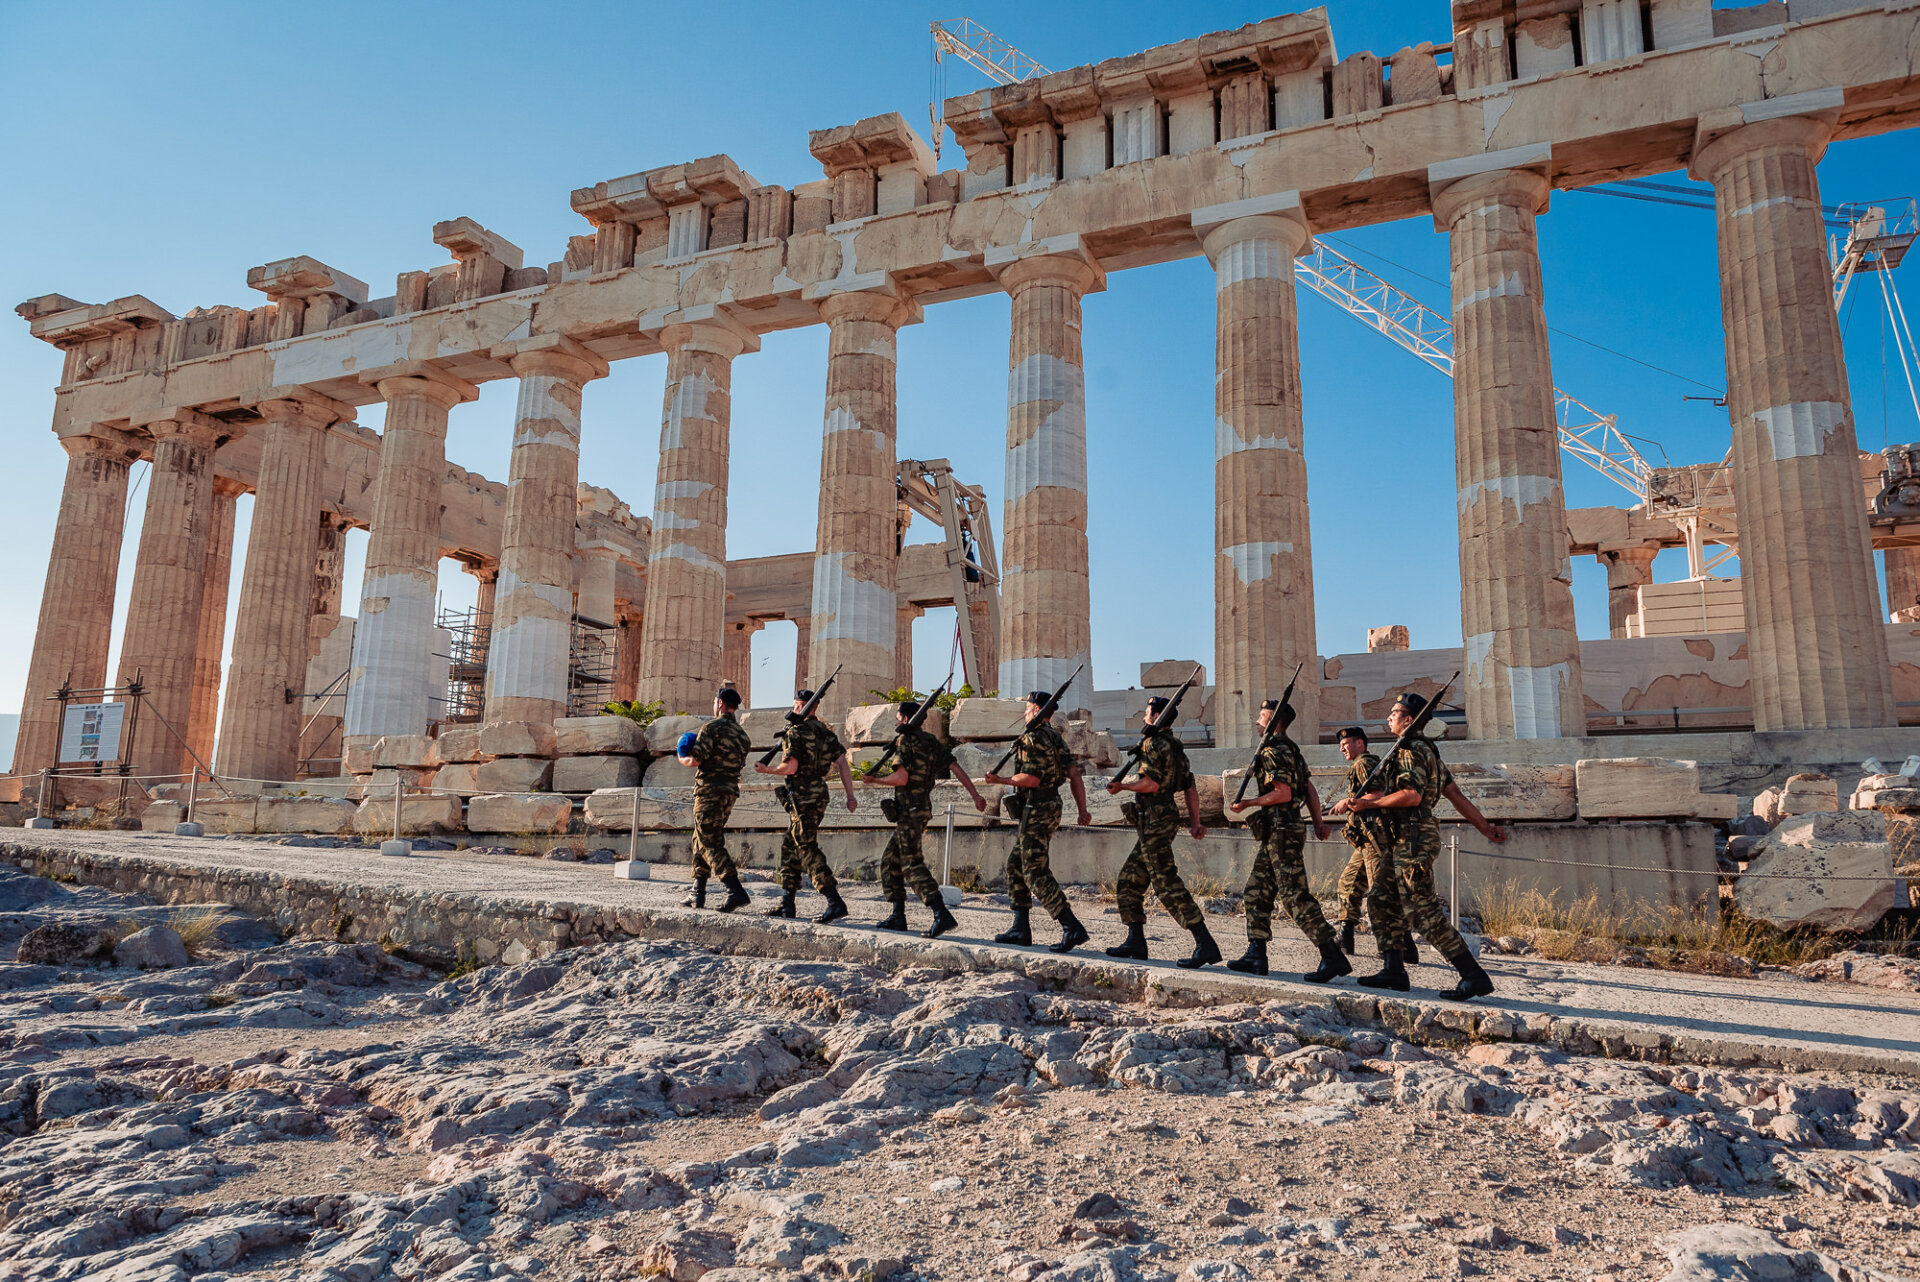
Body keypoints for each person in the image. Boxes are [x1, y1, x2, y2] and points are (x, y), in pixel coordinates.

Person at [1336, 691, 1506, 1000]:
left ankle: (1472, 975)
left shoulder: (1411, 750)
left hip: (1413, 837)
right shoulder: (1425, 751)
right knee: (1380, 898)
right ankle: (1393, 969)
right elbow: (1455, 794)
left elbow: (1411, 796)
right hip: (1406, 837)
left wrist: (1363, 803)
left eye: (1395, 711)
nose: (1389, 715)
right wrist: (1484, 827)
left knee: (1423, 912)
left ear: (1409, 720)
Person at [1225, 700, 1349, 982]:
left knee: (1294, 896)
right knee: (1256, 889)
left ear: (1275, 721)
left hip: (1280, 828)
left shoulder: (1271, 750)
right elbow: (1309, 788)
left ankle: (1332, 955)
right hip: (1281, 829)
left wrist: (1248, 803)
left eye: (1262, 716)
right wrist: (1318, 822)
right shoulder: (1292, 749)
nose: (1257, 720)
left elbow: (1282, 793)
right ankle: (1256, 953)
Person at [1104, 695, 1219, 968]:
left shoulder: (1154, 744)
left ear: (1156, 717)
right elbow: (1189, 787)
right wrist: (1195, 821)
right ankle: (1135, 941)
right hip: (1161, 818)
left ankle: (1205, 944)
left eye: (1147, 714)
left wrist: (1123, 787)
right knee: (1129, 880)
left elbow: (1151, 784)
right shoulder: (1175, 747)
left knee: (1166, 882)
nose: (1145, 718)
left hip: (1154, 817)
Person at [861, 699, 987, 938]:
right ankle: (898, 916)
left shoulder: (905, 741)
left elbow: (901, 778)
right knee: (890, 861)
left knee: (911, 864)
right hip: (921, 808)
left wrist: (875, 780)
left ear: (906, 719)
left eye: (898, 717)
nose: (896, 721)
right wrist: (975, 795)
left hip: (908, 809)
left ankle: (941, 914)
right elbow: (955, 767)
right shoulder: (930, 741)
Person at [983, 690, 1095, 954]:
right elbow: (1074, 775)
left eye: (1027, 707)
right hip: (1050, 805)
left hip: (1036, 806)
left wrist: (1002, 781)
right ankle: (1020, 927)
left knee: (1034, 870)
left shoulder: (1032, 739)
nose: (1024, 712)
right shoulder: (1056, 738)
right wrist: (1083, 809)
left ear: (1036, 710)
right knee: (1016, 864)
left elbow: (1031, 779)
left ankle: (1071, 926)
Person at [754, 687, 857, 924]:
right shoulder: (826, 733)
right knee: (790, 845)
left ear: (801, 705)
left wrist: (767, 769)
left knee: (806, 846)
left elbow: (790, 768)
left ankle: (834, 901)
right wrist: (850, 796)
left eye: (796, 704)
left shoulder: (796, 732)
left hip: (802, 793)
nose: (794, 708)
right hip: (819, 792)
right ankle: (787, 904)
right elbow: (842, 764)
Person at [1330, 725, 1409, 960]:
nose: (1342, 748)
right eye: (1340, 745)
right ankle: (1345, 937)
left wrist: (1349, 801)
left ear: (1360, 744)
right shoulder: (1364, 763)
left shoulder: (1363, 763)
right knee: (1348, 884)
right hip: (1366, 839)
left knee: (1380, 894)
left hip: (1376, 838)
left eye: (1346, 744)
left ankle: (1397, 949)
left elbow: (1378, 795)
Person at [677, 686, 754, 912]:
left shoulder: (710, 728)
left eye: (714, 702)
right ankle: (697, 891)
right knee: (701, 836)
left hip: (709, 790)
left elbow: (695, 760)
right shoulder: (743, 736)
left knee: (709, 841)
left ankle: (735, 890)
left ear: (720, 703)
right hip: (729, 792)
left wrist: (681, 756)